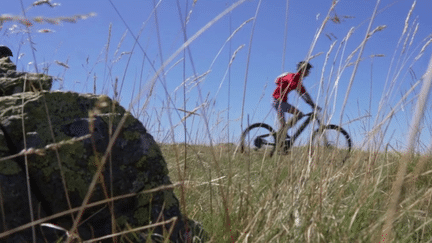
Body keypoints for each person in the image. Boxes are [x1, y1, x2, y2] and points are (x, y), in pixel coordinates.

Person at [272, 61, 321, 146]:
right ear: (303, 70)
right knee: (287, 123)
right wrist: (308, 101)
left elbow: (304, 94)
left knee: (299, 115)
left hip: (282, 102)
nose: (308, 73)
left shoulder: (298, 80)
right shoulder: (292, 76)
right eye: (308, 71)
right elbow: (296, 88)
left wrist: (312, 104)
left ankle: (282, 134)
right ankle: (281, 136)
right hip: (278, 101)